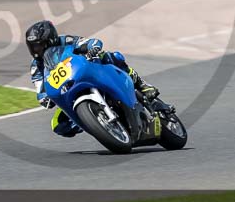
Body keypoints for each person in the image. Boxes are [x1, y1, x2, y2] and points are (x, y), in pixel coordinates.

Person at [26, 20, 159, 138]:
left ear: (50, 39)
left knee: (111, 56)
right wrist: (44, 98)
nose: (36, 50)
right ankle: (93, 122)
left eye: (38, 45)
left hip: (86, 72)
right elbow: (40, 87)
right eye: (32, 47)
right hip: (67, 89)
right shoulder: (35, 66)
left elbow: (89, 42)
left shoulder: (65, 40)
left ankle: (142, 85)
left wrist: (93, 48)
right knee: (57, 125)